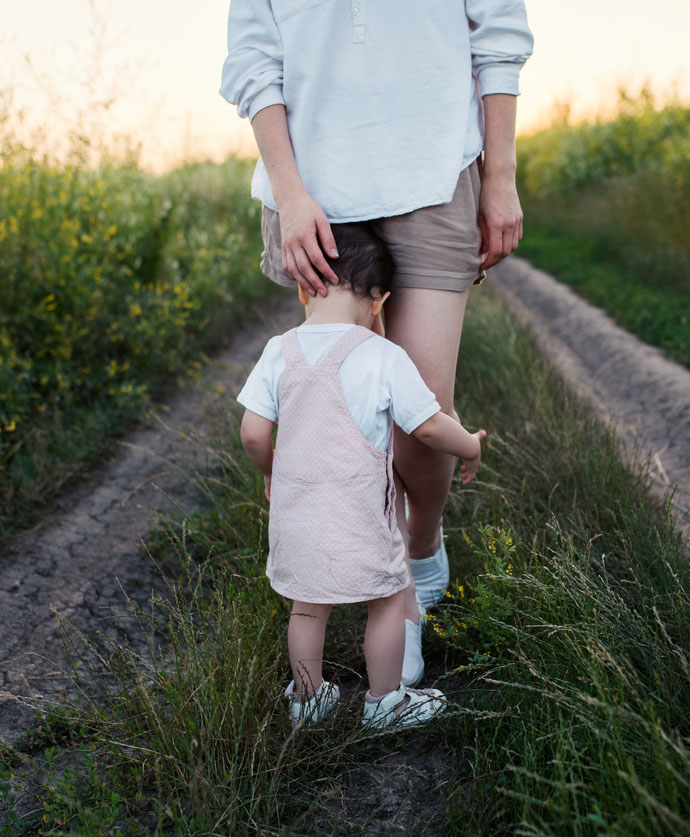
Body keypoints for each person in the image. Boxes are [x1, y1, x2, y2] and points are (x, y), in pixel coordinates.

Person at [221, 0, 533, 682]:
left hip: (431, 168)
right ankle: (359, 581)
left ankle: (414, 554)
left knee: (420, 406)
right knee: (333, 402)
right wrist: (291, 192)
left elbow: (499, 27)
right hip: (311, 187)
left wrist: (501, 175)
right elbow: (253, 58)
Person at [237, 224, 486, 727]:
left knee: (307, 606)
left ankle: (307, 701)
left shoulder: (277, 350)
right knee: (390, 599)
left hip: (298, 518)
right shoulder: (383, 356)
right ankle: (384, 702)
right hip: (364, 516)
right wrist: (471, 447)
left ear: (306, 288)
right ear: (380, 301)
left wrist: (269, 470)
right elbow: (431, 428)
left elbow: (252, 434)